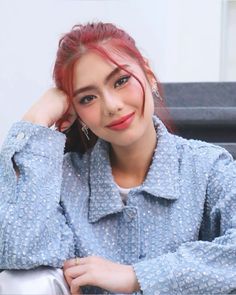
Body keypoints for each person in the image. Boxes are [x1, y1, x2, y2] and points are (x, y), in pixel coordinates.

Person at [0, 21, 235, 295]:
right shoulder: (64, 179)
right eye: (88, 98)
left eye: (121, 81)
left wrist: (137, 276)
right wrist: (37, 120)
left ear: (147, 73)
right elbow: (20, 253)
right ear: (76, 112)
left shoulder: (208, 168)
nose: (112, 105)